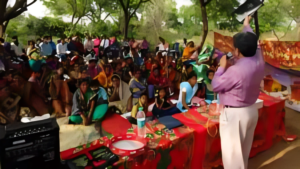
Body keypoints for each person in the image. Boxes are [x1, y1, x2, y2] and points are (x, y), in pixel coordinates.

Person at [211, 16, 264, 169]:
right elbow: (256, 43)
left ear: (238, 51)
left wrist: (221, 67)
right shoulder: (259, 60)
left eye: (234, 48)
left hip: (235, 117)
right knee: (243, 156)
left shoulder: (235, 71)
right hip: (251, 111)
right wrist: (246, 26)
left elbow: (215, 85)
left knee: (233, 161)